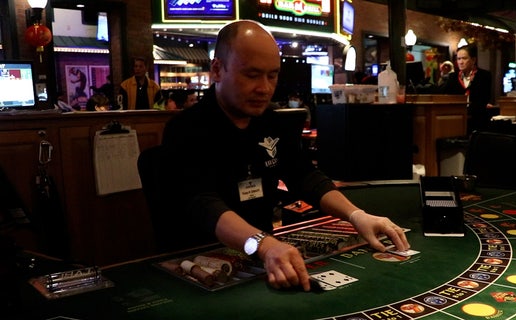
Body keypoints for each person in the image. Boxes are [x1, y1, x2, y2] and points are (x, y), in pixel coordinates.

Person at [161, 20, 410, 292]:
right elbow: (203, 204)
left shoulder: (271, 122)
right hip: (200, 268)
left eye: (272, 75)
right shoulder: (185, 129)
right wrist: (264, 244)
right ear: (217, 70)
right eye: (252, 74)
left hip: (263, 259)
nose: (265, 88)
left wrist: (356, 215)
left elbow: (304, 175)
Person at [439, 44, 493, 134]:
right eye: (458, 59)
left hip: (477, 121)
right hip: (456, 119)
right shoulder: (453, 76)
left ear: (473, 60)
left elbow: (484, 99)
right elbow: (441, 93)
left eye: (464, 58)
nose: (460, 62)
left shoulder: (484, 75)